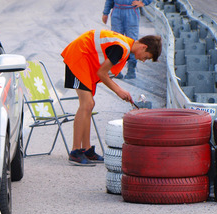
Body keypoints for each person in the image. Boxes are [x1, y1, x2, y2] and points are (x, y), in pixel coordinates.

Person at [61, 30, 161, 166]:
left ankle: (86, 149)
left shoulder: (124, 46)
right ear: (143, 47)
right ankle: (75, 151)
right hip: (78, 57)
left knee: (89, 105)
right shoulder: (121, 48)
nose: (143, 60)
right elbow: (102, 73)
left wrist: (119, 90)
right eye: (146, 57)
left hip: (85, 59)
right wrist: (118, 90)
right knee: (87, 104)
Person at [102, 0, 153, 79]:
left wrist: (143, 2)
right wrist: (105, 13)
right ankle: (116, 69)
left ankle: (131, 69)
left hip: (131, 12)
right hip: (117, 11)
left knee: (133, 42)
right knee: (116, 41)